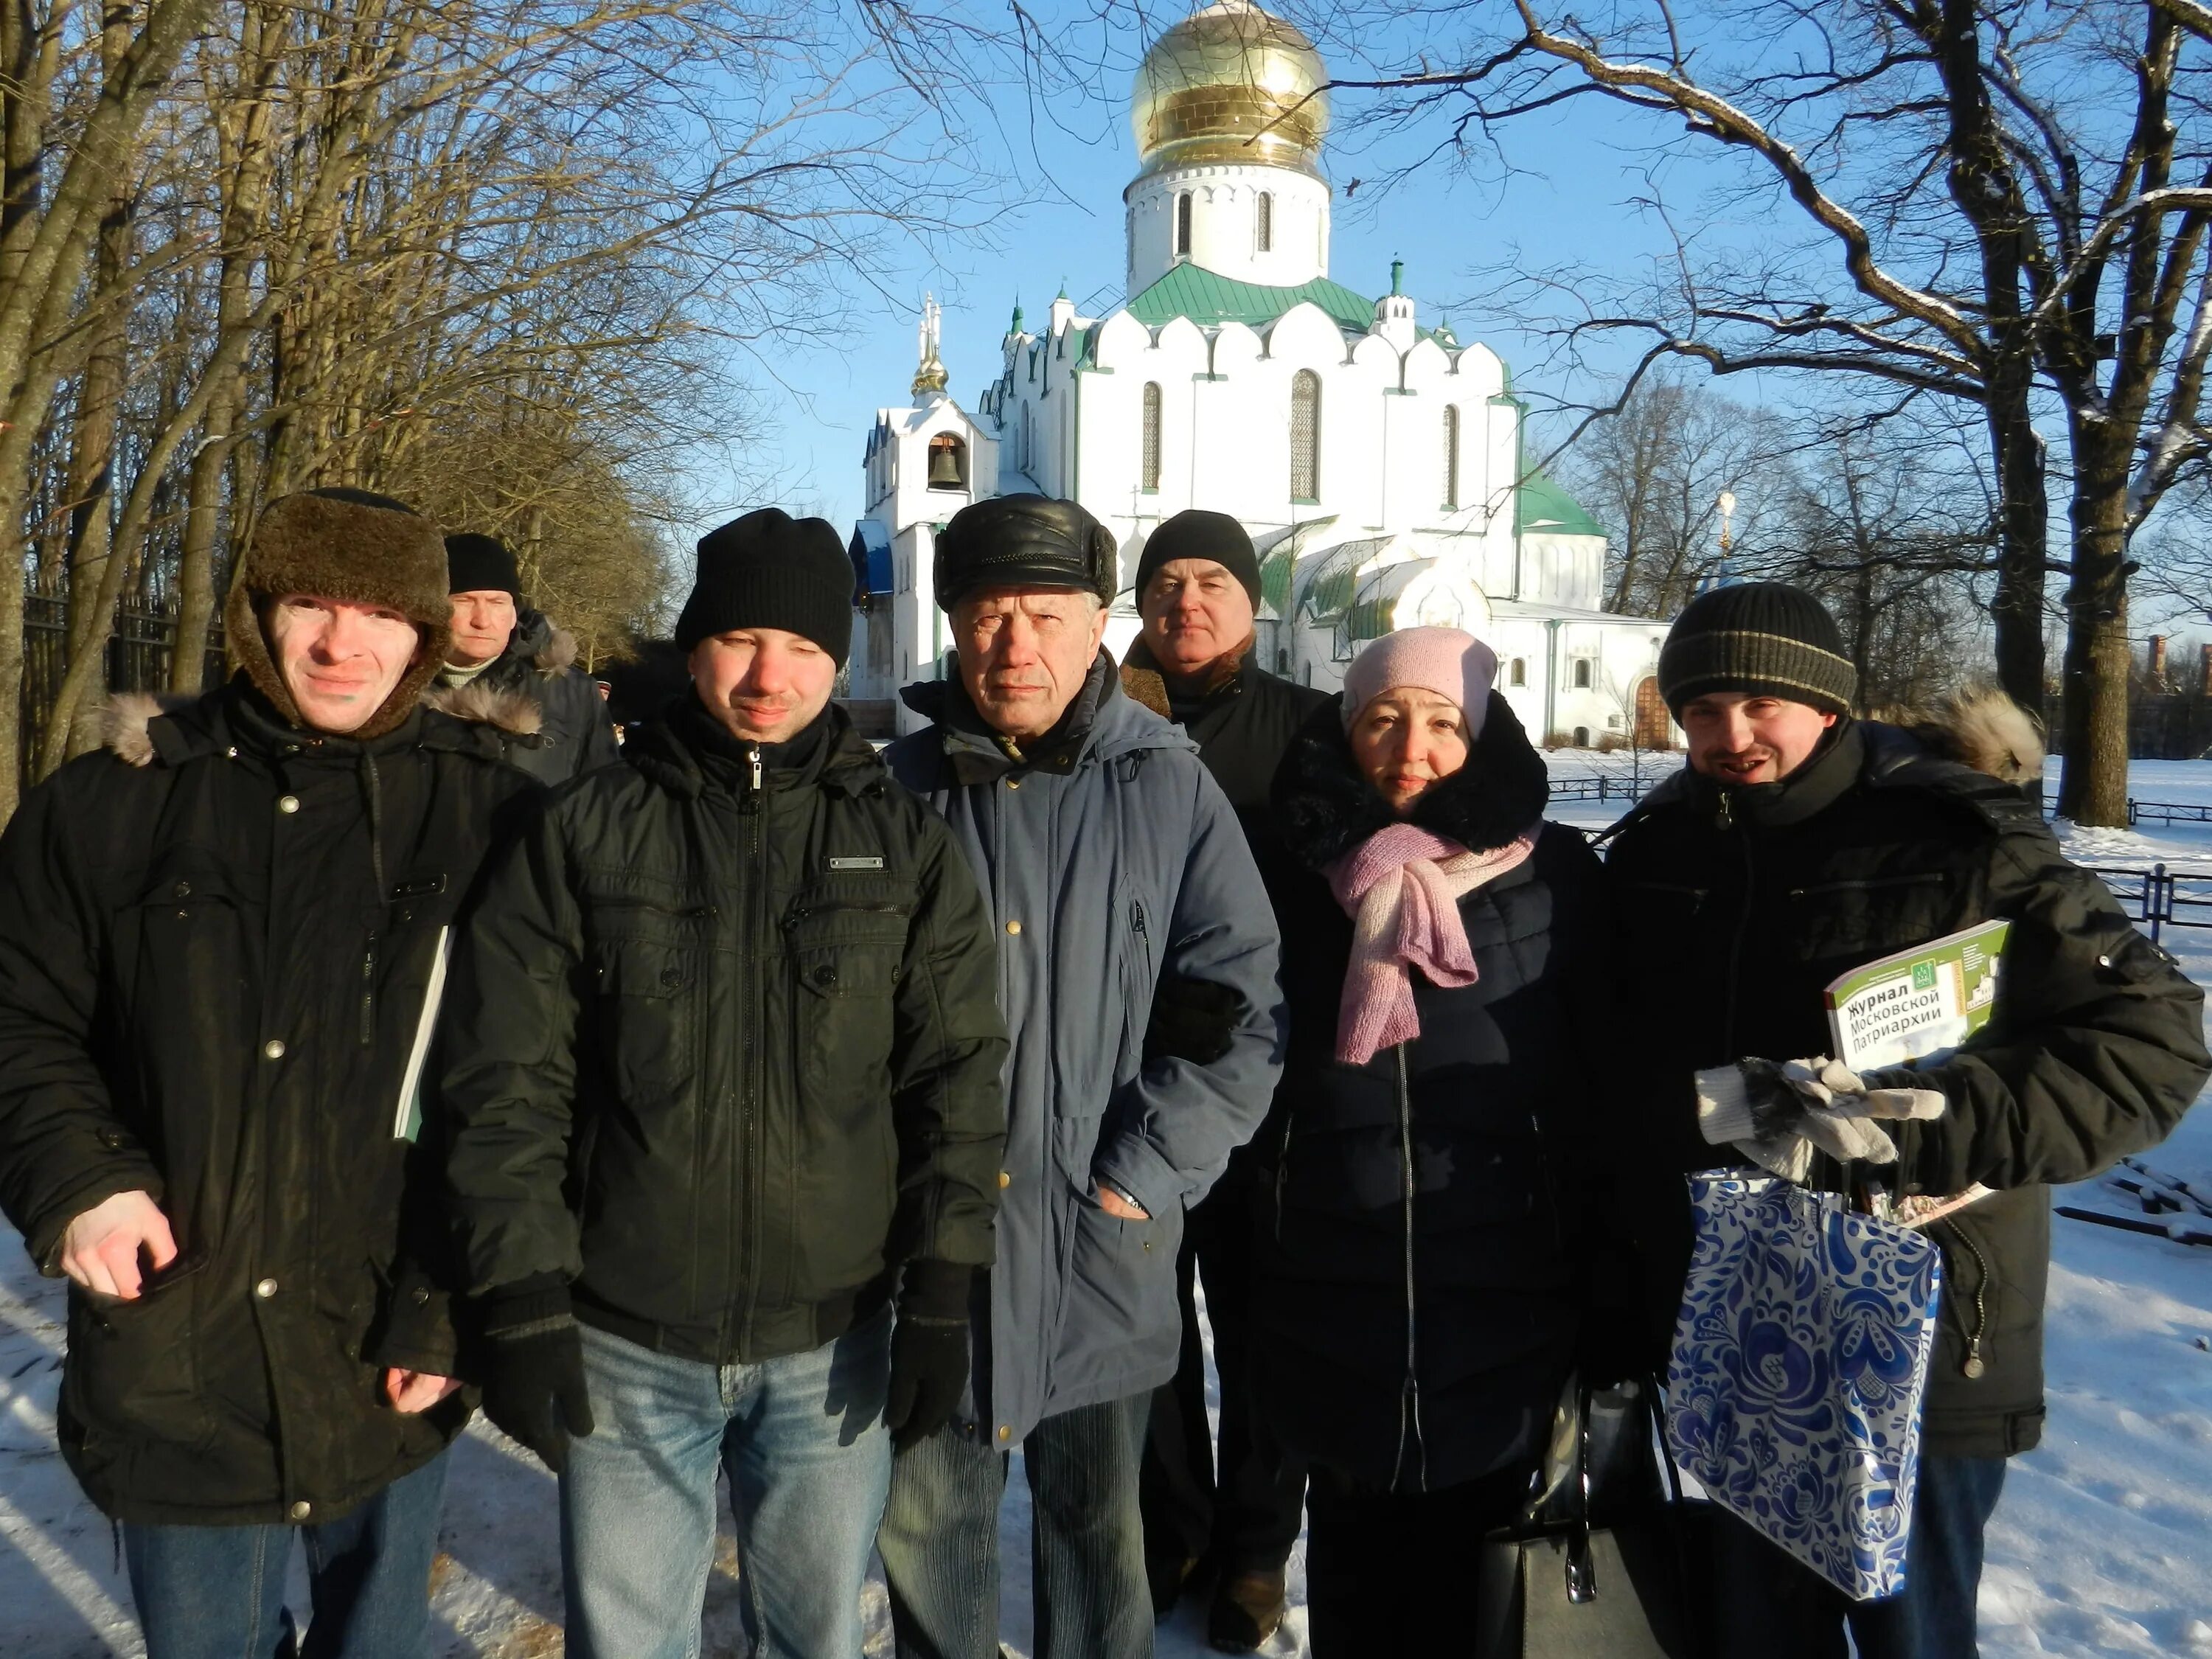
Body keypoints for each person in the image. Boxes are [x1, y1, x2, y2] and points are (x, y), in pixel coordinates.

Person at [436, 507, 1009, 1659]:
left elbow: (953, 1076)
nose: (770, 675)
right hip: (625, 1338)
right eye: (742, 639)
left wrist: (944, 1282)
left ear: (837, 664)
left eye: (803, 647)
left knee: (815, 1639)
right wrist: (522, 1293)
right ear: (692, 649)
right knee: (633, 1639)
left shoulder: (902, 845)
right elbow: (507, 1079)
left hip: (831, 1340)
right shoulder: (583, 832)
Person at [1606, 582, 2211, 1659]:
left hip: (1923, 1331)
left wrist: (1930, 1120)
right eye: (1700, 708)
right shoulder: (1660, 849)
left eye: (1759, 702)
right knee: (1749, 1632)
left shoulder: (1963, 837)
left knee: (1911, 1637)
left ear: (1828, 703)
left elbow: (2154, 1044)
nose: (1729, 734)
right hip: (1737, 1336)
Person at [0, 487, 542, 1658]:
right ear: (257, 614)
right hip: (176, 1341)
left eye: (379, 614)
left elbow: (528, 1093)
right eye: (310, 604)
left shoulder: (495, 817)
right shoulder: (111, 804)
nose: (342, 644)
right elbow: (18, 1013)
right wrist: (80, 1178)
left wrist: (448, 1308)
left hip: (385, 1339)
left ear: (426, 632)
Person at [875, 494, 1284, 1659]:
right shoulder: (898, 793)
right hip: (932, 1237)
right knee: (932, 1522)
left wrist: (1142, 1173)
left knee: (1097, 1528)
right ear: (954, 627)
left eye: (1046, 616)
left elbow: (1236, 1005)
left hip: (1100, 1234)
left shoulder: (1165, 788)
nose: (1018, 647)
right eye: (990, 616)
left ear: (1095, 624)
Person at [1248, 626, 1629, 1655]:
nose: (1409, 745)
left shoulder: (1549, 873)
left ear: (1482, 731)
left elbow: (1599, 1082)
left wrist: (1604, 1272)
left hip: (1506, 1304)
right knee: (1362, 1602)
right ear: (1346, 727)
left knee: (1489, 1609)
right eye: (1382, 718)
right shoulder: (1284, 866)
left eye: (1441, 721)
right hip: (1336, 1295)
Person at [1123, 509, 1328, 1648]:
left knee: (1262, 1329)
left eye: (1212, 579)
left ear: (1252, 599)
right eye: (1165, 581)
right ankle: (1175, 1531)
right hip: (1133, 1079)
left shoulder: (1308, 732)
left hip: (1272, 1083)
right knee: (1148, 1329)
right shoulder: (1104, 716)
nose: (1187, 600)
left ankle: (1256, 1551)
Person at [434, 531, 620, 782]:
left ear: (514, 613)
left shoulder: (575, 694)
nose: (482, 620)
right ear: (433, 608)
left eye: (497, 602)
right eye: (465, 601)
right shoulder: (391, 686)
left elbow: (602, 798)